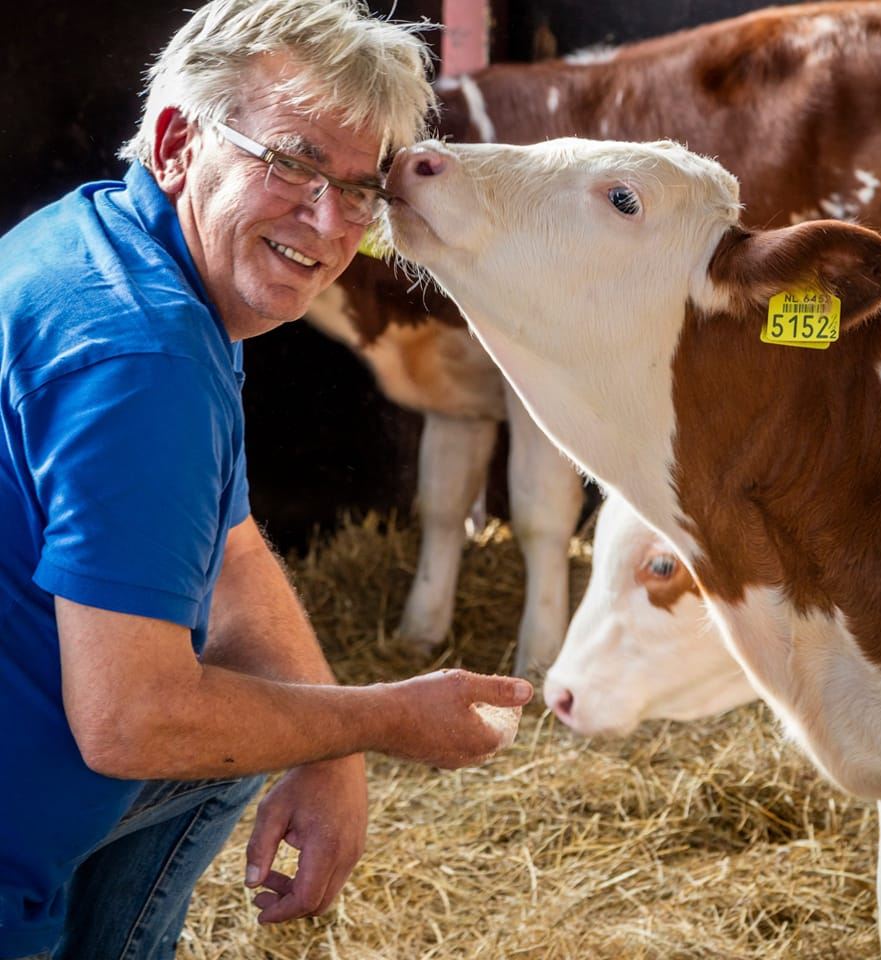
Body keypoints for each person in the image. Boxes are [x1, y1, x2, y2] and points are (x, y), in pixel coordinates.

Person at [0, 2, 534, 957]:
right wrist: (387, 718)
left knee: (253, 723)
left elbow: (233, 546)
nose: (327, 224)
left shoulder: (111, 246)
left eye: (359, 189)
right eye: (290, 163)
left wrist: (333, 747)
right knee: (211, 724)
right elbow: (134, 721)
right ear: (178, 142)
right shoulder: (146, 357)